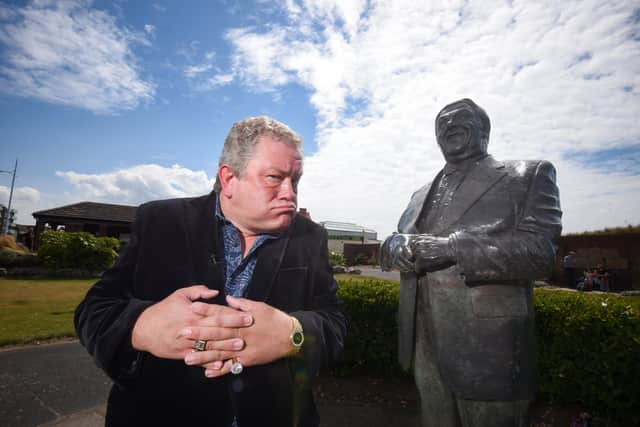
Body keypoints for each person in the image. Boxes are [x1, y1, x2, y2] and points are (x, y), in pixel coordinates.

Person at [74, 116, 347, 426]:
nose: (290, 193)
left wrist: (293, 333)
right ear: (229, 179)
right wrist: (140, 326)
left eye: (295, 180)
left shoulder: (311, 238)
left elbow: (335, 325)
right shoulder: (161, 221)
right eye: (274, 177)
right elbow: (93, 310)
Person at [380, 99, 562, 427]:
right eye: (441, 123)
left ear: (484, 130)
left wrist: (453, 248)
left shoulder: (528, 175)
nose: (447, 126)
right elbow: (400, 236)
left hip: (489, 348)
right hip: (423, 344)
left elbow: (540, 252)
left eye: (458, 119)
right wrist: (392, 245)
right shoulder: (419, 193)